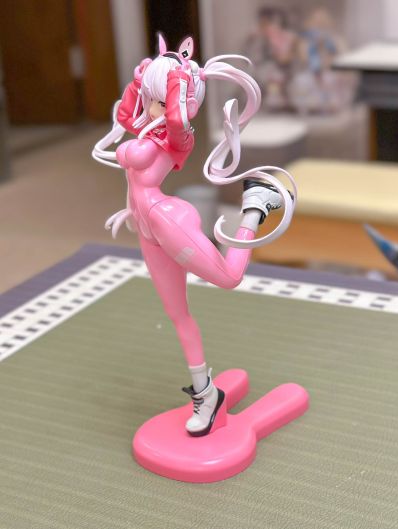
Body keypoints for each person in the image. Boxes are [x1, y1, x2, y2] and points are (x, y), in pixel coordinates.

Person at [92, 34, 296, 437]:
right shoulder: (147, 128)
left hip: (167, 220)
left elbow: (170, 122)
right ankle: (206, 393)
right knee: (177, 314)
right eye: (152, 98)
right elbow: (128, 115)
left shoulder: (175, 137)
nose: (153, 106)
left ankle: (256, 205)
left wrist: (178, 81)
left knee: (229, 277)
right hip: (147, 225)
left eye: (161, 99)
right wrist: (142, 80)